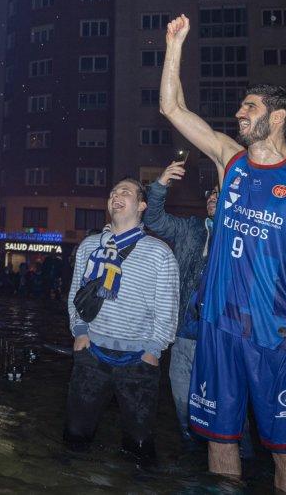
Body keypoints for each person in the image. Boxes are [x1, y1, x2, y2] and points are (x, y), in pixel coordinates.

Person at [159, 14, 286, 495]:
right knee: (219, 442)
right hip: (217, 330)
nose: (238, 115)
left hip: (275, 336)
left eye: (248, 107)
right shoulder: (229, 159)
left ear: (276, 117)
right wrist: (174, 46)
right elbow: (172, 108)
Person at [143, 160, 258, 456]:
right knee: (185, 411)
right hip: (183, 337)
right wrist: (161, 185)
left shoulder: (245, 237)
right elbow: (153, 219)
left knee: (231, 415)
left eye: (220, 194)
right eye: (210, 193)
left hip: (224, 339)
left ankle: (241, 470)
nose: (211, 197)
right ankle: (192, 462)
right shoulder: (189, 229)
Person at [65, 178, 179, 463]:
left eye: (125, 192)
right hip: (91, 354)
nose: (116, 194)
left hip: (139, 361)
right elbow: (75, 294)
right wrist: (79, 332)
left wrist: (153, 351)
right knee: (75, 438)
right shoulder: (90, 245)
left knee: (139, 447)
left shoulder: (160, 253)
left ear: (141, 205)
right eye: (114, 191)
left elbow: (168, 307)